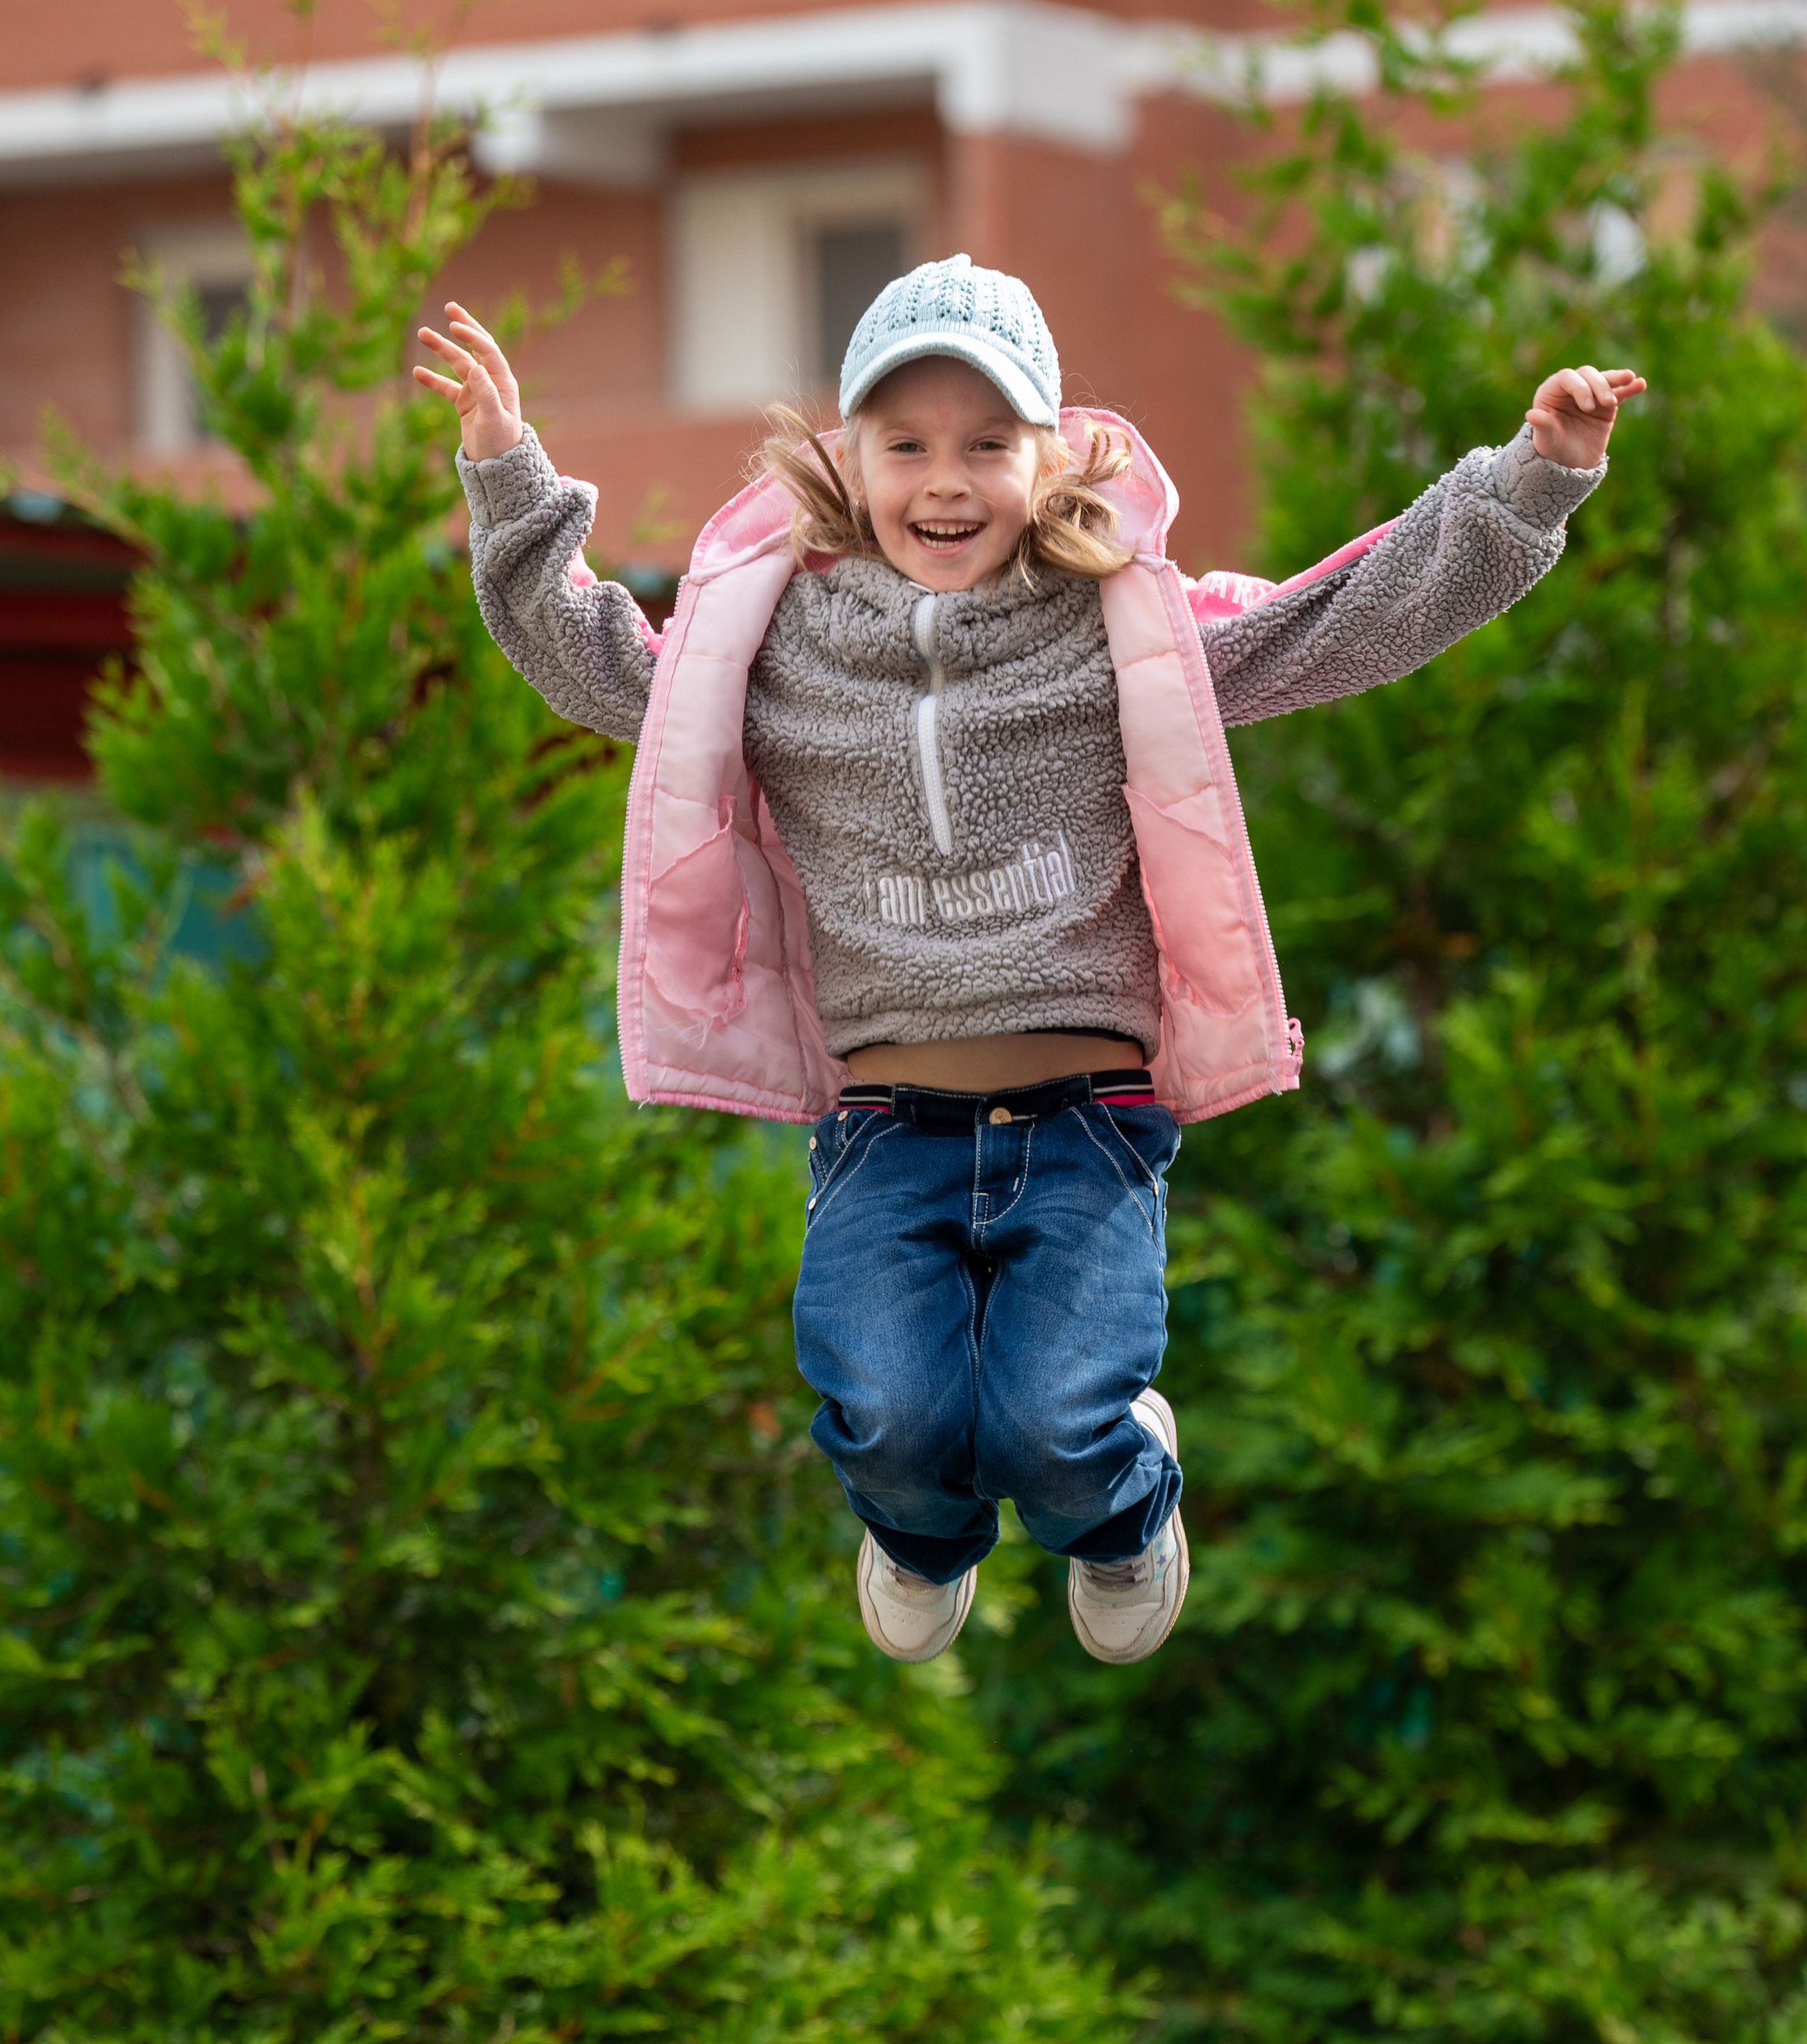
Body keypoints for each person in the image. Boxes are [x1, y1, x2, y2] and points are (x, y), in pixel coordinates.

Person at [416, 256, 1642, 1669]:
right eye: (910, 445)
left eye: (990, 446)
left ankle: (1124, 1506)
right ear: (849, 459)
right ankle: (922, 1535)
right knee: (889, 1413)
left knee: (1058, 1426)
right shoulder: (779, 655)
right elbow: (595, 662)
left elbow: (1338, 618)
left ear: (1049, 459)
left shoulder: (1124, 627)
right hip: (884, 1127)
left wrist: (1529, 480)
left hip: (1089, 1125)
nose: (949, 481)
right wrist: (512, 482)